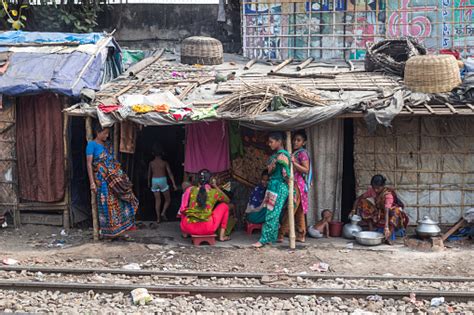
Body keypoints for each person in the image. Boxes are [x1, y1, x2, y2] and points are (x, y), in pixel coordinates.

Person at [86, 125, 138, 239]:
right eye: (104, 133)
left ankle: (121, 230)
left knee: (122, 200)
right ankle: (110, 233)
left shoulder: (107, 144)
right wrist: (92, 183)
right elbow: (89, 165)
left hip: (114, 178)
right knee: (107, 206)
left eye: (108, 133)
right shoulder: (91, 145)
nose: (107, 135)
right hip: (103, 180)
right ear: (97, 132)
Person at [253, 132, 291, 248]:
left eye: (271, 142)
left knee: (272, 214)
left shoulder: (283, 155)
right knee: (272, 212)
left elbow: (286, 174)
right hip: (273, 185)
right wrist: (273, 165)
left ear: (279, 141)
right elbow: (269, 171)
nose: (269, 144)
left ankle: (263, 240)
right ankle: (271, 238)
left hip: (279, 186)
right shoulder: (275, 156)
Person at [351, 174, 409, 244]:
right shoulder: (372, 191)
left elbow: (387, 210)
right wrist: (353, 211)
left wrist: (386, 227)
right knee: (363, 202)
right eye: (374, 187)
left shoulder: (388, 195)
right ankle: (371, 229)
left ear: (383, 186)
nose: (376, 190)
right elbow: (359, 199)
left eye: (378, 188)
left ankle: (388, 236)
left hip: (390, 213)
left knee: (396, 212)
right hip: (379, 212)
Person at [179, 169, 231, 241]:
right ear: (211, 180)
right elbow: (227, 200)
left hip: (189, 227)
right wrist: (215, 186)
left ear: (197, 180)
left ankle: (184, 233)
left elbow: (182, 209)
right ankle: (222, 236)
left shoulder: (190, 190)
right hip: (208, 228)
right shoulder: (214, 192)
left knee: (184, 208)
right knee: (225, 206)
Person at [278, 130, 312, 243]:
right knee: (299, 210)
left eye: (299, 140)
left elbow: (306, 170)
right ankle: (301, 234)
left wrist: (293, 162)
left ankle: (281, 233)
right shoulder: (296, 152)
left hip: (298, 185)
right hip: (297, 184)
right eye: (294, 140)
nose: (295, 142)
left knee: (291, 209)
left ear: (304, 142)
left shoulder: (302, 153)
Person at [148, 148, 177, 223]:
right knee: (168, 199)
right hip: (162, 180)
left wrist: (148, 182)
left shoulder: (151, 163)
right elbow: (170, 173)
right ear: (162, 153)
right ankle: (163, 212)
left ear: (153, 154)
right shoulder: (164, 163)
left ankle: (158, 219)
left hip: (154, 180)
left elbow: (149, 174)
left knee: (157, 200)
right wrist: (174, 184)